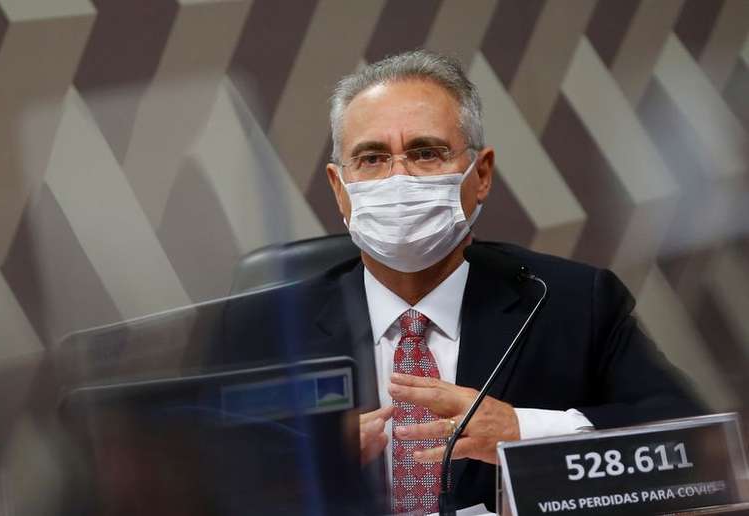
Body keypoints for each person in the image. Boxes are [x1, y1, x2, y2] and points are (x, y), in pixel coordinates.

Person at [216, 50, 703, 514]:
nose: (398, 180)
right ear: (339, 190)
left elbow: (692, 441)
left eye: (426, 153)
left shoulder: (570, 302)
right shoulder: (261, 328)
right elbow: (195, 480)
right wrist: (298, 466)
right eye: (371, 159)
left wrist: (525, 431)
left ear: (481, 174)